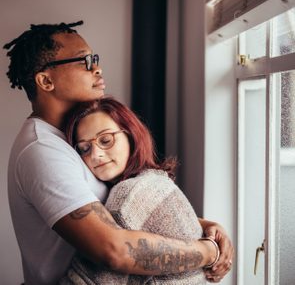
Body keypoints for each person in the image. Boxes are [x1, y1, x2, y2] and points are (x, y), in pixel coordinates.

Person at [3, 21, 234, 285]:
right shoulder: (43, 150)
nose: (97, 68)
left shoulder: (70, 137)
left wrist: (202, 226)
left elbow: (120, 211)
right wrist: (207, 251)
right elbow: (114, 249)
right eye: (85, 61)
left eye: (95, 59)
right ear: (45, 80)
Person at [62, 96, 222, 284]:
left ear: (130, 134)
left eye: (106, 140)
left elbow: (87, 281)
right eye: (84, 148)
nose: (95, 154)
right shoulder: (155, 181)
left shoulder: (128, 194)